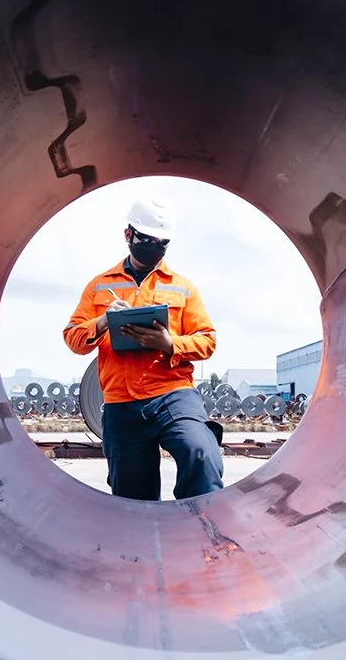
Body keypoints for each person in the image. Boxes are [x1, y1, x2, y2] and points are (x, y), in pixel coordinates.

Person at [63, 194, 223, 500]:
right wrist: (104, 321)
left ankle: (200, 529)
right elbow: (73, 338)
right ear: (128, 236)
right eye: (147, 240)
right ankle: (144, 544)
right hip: (121, 401)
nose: (154, 248)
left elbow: (207, 340)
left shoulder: (183, 287)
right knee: (132, 496)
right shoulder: (99, 285)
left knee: (201, 452)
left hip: (172, 394)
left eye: (161, 243)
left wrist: (169, 343)